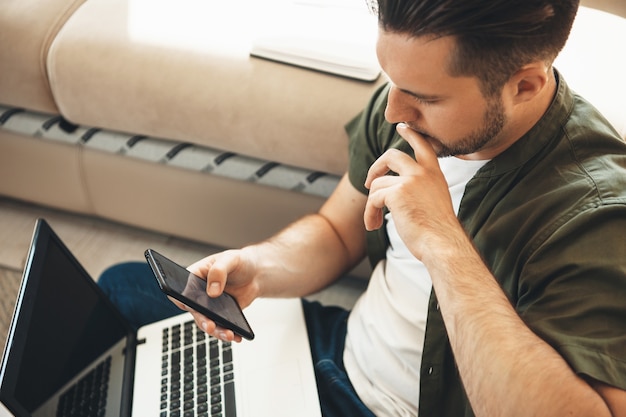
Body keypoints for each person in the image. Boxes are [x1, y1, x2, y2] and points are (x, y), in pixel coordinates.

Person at [98, 0, 626, 415]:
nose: (394, 110)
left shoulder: (594, 212)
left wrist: (443, 241)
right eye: (392, 81)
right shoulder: (404, 112)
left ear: (525, 84)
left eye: (426, 97)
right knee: (120, 290)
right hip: (337, 353)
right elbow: (338, 231)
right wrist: (260, 268)